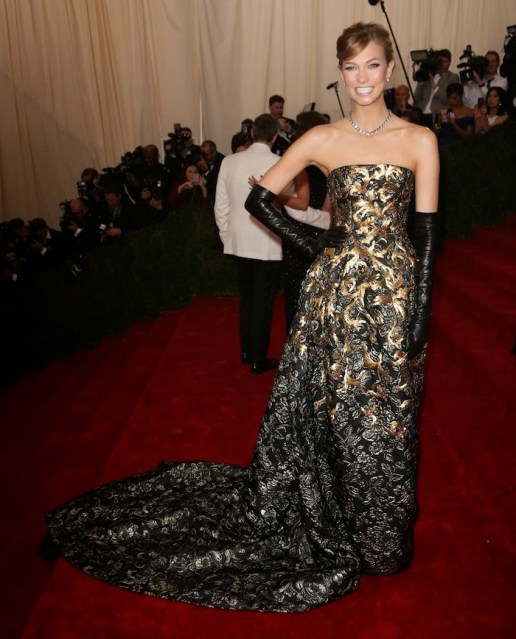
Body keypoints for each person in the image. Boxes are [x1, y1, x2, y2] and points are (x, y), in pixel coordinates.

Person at [41, 21, 438, 613]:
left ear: (388, 68)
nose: (362, 78)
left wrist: (421, 312)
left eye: (373, 65)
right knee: (333, 411)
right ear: (340, 72)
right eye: (351, 67)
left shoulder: (418, 139)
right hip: (335, 299)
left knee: (389, 417)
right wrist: (318, 248)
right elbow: (258, 198)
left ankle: (380, 533)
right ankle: (337, 519)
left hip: (395, 297)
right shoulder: (323, 139)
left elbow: (426, 234)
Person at [214, 114, 284, 374]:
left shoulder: (229, 161)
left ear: (252, 133)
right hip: (268, 242)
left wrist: (227, 236)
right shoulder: (280, 163)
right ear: (275, 136)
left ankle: (246, 351)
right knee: (262, 302)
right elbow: (285, 207)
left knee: (247, 298)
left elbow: (220, 205)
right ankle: (258, 357)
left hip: (237, 240)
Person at [414, 48, 460, 126]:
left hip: (436, 115)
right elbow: (417, 98)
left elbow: (450, 99)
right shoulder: (429, 74)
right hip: (421, 113)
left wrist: (434, 86)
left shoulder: (452, 77)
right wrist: (421, 82)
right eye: (440, 61)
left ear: (449, 62)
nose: (442, 64)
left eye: (445, 61)